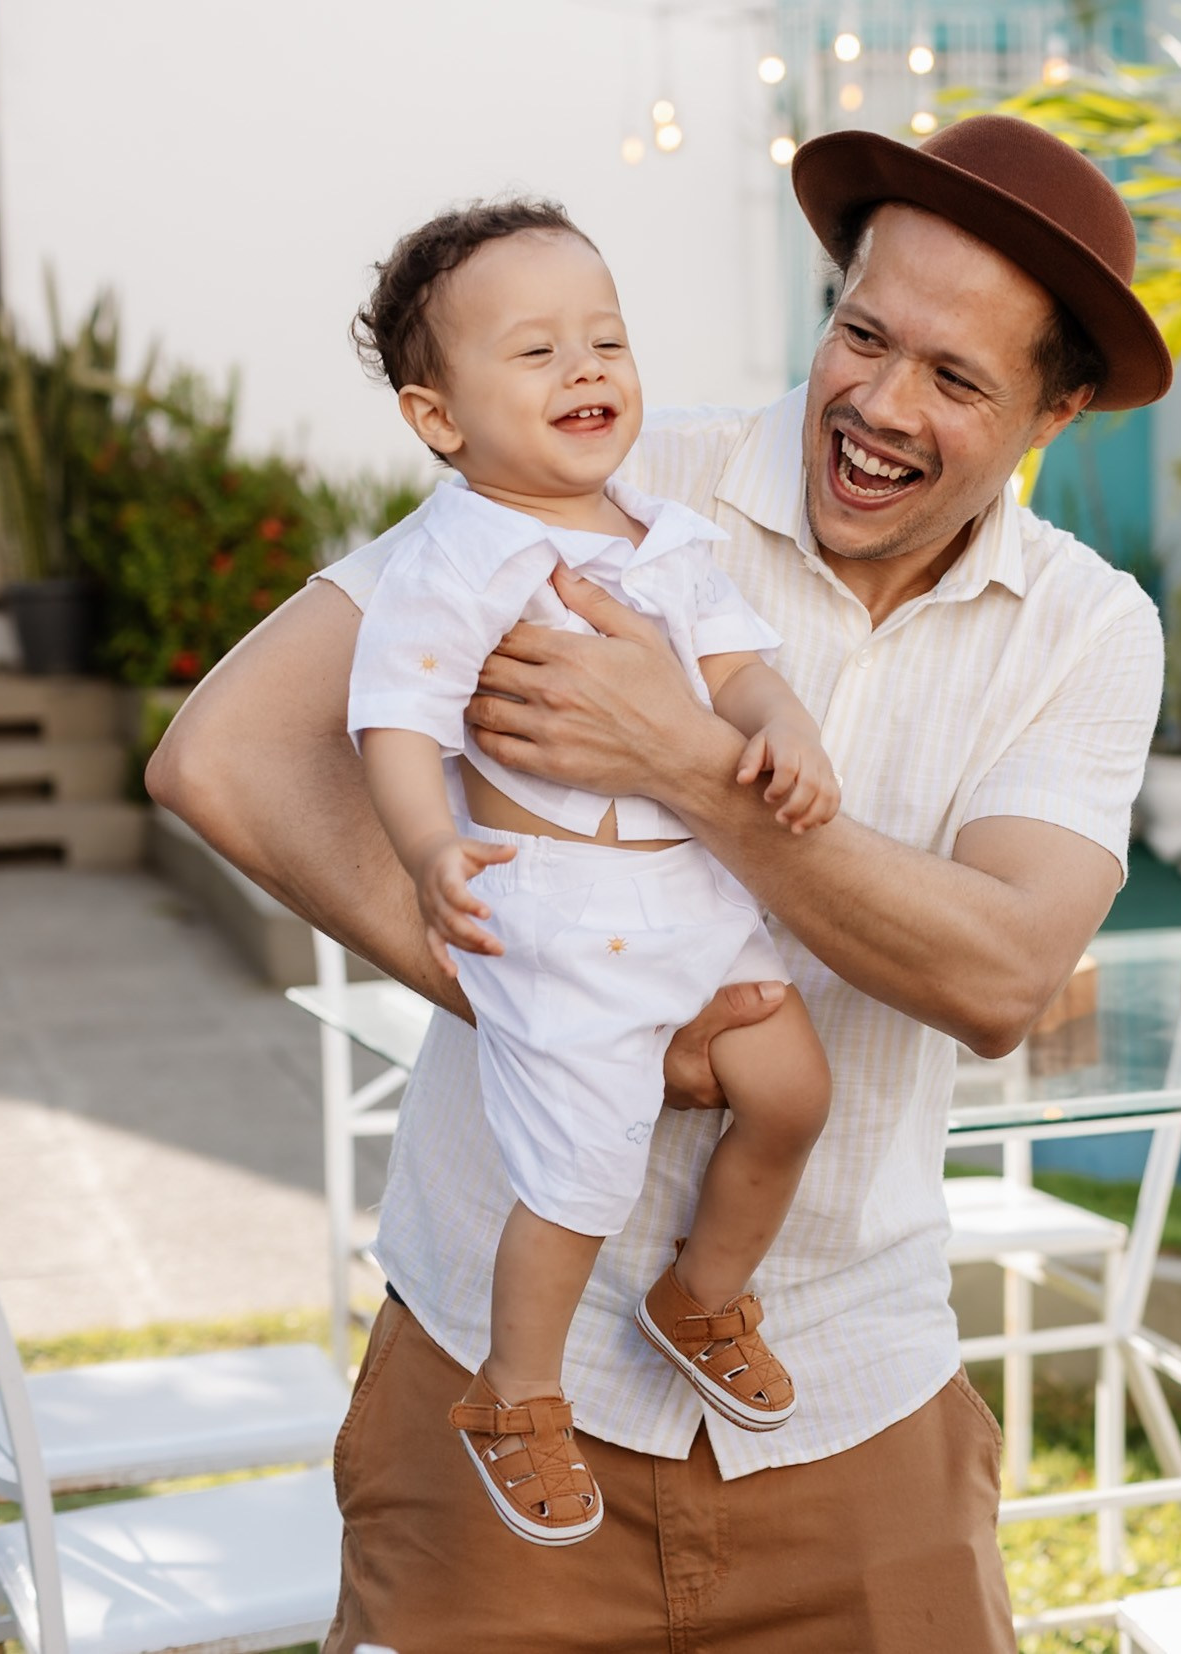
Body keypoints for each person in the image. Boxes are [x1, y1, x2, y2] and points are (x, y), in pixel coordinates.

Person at [148, 114, 1170, 1650]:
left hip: (851, 1397)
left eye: (956, 380)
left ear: (1055, 410)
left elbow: (1004, 974)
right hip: (495, 1402)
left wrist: (690, 765)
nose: (880, 406)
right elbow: (224, 753)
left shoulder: (1090, 631)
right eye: (862, 334)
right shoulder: (602, 481)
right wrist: (541, 991)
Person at [348, 201, 840, 1545]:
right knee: (577, 1179)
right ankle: (517, 1391)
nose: (588, 370)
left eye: (606, 340)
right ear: (437, 417)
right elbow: (394, 719)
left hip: (694, 891)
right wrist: (431, 846)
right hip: (561, 914)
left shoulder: (664, 535)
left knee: (793, 1089)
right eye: (537, 352)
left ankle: (703, 1289)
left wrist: (785, 733)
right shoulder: (453, 557)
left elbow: (741, 669)